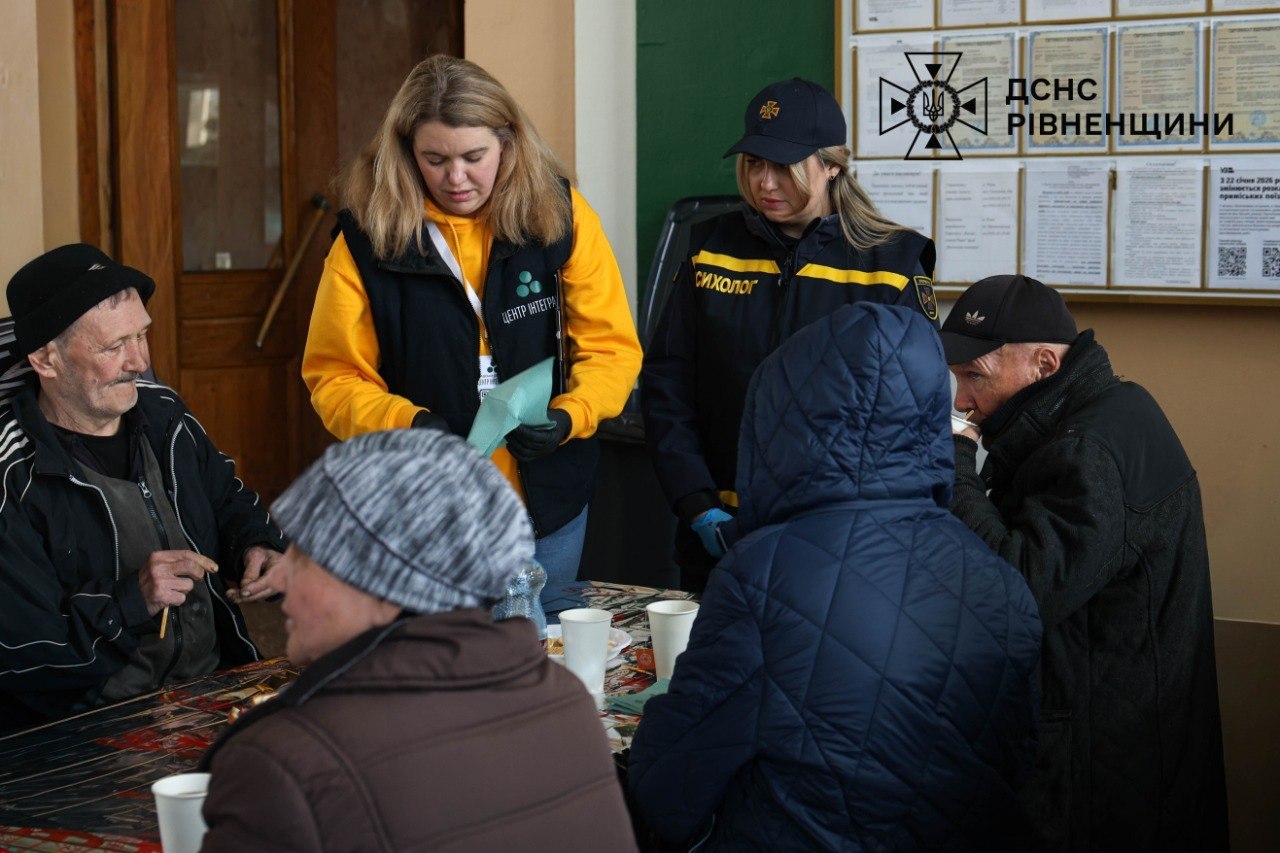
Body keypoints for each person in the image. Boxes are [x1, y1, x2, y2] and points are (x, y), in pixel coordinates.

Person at [630, 303, 1042, 849]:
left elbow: (669, 787)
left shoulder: (762, 572)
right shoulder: (1002, 579)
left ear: (783, 417)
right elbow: (1020, 768)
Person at [199, 429, 636, 851]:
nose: (281, 576)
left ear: (385, 585)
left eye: (307, 557)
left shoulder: (284, 762)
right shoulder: (563, 698)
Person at [302, 55, 642, 589]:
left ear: (508, 143)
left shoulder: (562, 216)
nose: (455, 178)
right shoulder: (364, 242)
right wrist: (412, 426)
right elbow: (335, 378)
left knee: (543, 646)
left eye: (474, 156)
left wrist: (570, 417)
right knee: (440, 658)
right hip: (426, 509)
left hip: (548, 500)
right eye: (434, 158)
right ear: (405, 153)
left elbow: (611, 350)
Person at [940, 274, 1229, 850]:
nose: (962, 400)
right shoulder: (1119, 408)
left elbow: (1018, 590)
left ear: (1044, 366)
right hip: (1137, 742)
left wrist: (955, 465)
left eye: (976, 377)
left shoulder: (1084, 452)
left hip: (1100, 767)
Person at [642, 77, 938, 592]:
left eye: (784, 166)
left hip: (837, 543)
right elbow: (669, 383)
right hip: (715, 533)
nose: (765, 183)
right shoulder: (710, 247)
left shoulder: (892, 264)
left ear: (832, 165)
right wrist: (695, 502)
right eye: (755, 163)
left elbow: (909, 417)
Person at [0, 244, 284, 732]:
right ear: (46, 360)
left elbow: (228, 500)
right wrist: (133, 600)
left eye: (142, 335)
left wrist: (256, 546)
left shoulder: (164, 414)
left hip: (212, 690)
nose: (140, 362)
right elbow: (27, 659)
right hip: (93, 730)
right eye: (114, 347)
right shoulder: (12, 477)